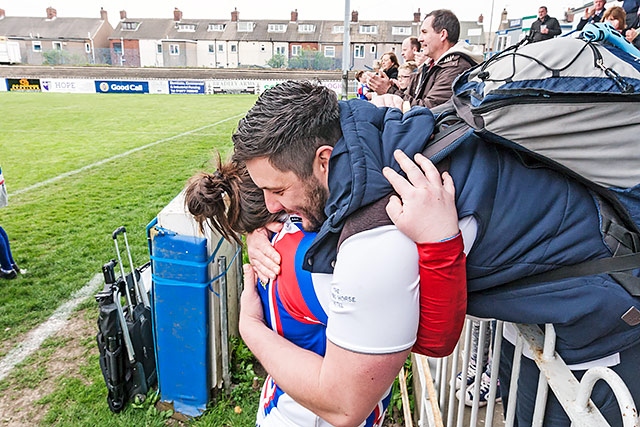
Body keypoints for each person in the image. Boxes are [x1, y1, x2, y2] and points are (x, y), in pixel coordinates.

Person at [245, 81, 640, 427]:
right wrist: (255, 231)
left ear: (324, 159)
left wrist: (251, 329)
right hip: (553, 297)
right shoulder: (372, 134)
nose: (272, 207)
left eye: (278, 192)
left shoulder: (381, 237)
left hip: (601, 318)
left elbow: (344, 403)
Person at [206, 82, 466, 426]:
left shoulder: (309, 237)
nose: (275, 205)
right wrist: (441, 242)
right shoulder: (335, 249)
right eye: (268, 193)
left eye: (278, 191)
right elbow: (433, 340)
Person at [368, 9, 482, 110]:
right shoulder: (430, 65)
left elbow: (427, 110)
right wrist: (393, 88)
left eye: (424, 32)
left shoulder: (455, 68)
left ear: (442, 35)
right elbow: (413, 99)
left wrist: (388, 90)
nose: (420, 39)